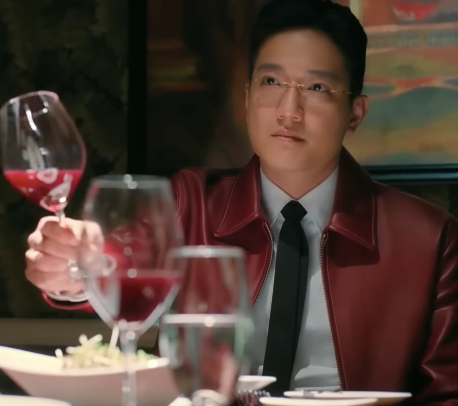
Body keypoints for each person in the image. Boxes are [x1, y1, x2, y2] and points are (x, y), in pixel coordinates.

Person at [25, 0, 458, 402]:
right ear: (248, 96)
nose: (289, 110)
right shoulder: (190, 202)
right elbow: (118, 262)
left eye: (316, 87)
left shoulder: (429, 240)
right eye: (271, 82)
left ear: (356, 113)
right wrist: (72, 267)